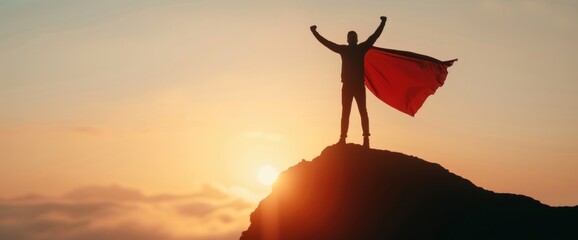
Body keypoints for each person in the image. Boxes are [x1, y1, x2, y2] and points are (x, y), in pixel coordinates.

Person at [310, 16, 387, 148]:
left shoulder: (361, 48)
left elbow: (375, 36)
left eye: (354, 37)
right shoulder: (343, 49)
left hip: (358, 86)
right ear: (347, 40)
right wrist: (315, 32)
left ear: (356, 39)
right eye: (350, 37)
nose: (352, 38)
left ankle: (366, 139)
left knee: (363, 111)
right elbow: (327, 43)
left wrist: (383, 22)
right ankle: (342, 138)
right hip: (347, 86)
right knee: (346, 112)